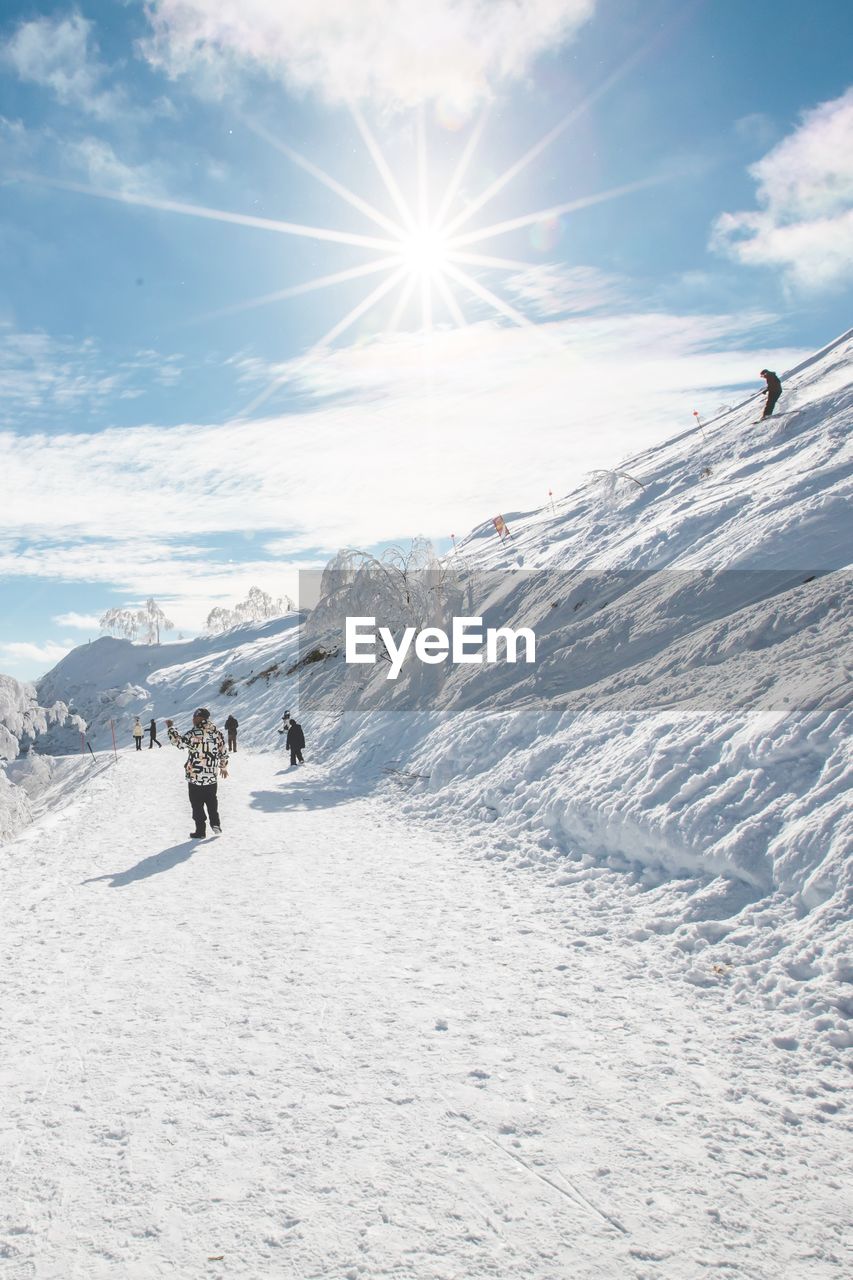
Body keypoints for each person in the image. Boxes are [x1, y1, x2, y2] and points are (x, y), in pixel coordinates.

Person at [166, 708, 229, 839]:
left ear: (200, 718)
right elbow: (223, 752)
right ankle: (215, 823)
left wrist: (171, 728)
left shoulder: (194, 734)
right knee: (212, 801)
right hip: (211, 776)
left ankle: (200, 831)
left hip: (195, 777)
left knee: (197, 804)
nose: (193, 719)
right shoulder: (217, 734)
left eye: (194, 717)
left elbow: (178, 742)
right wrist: (223, 767)